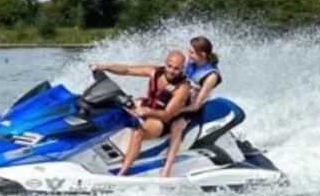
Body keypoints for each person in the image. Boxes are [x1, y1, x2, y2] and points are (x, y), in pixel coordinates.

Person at [89, 51, 191, 176]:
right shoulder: (155, 72)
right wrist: (104, 67)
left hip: (162, 120)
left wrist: (147, 111)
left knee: (138, 132)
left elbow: (167, 114)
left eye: (176, 69)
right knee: (117, 108)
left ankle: (122, 173)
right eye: (169, 66)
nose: (171, 71)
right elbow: (127, 70)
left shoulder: (182, 88)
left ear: (182, 69)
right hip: (149, 108)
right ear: (165, 64)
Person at [160, 36, 221, 177]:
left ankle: (166, 170)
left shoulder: (211, 76)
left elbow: (196, 105)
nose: (188, 55)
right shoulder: (190, 63)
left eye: (192, 52)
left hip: (191, 108)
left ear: (203, 55)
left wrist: (175, 111)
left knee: (177, 126)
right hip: (177, 99)